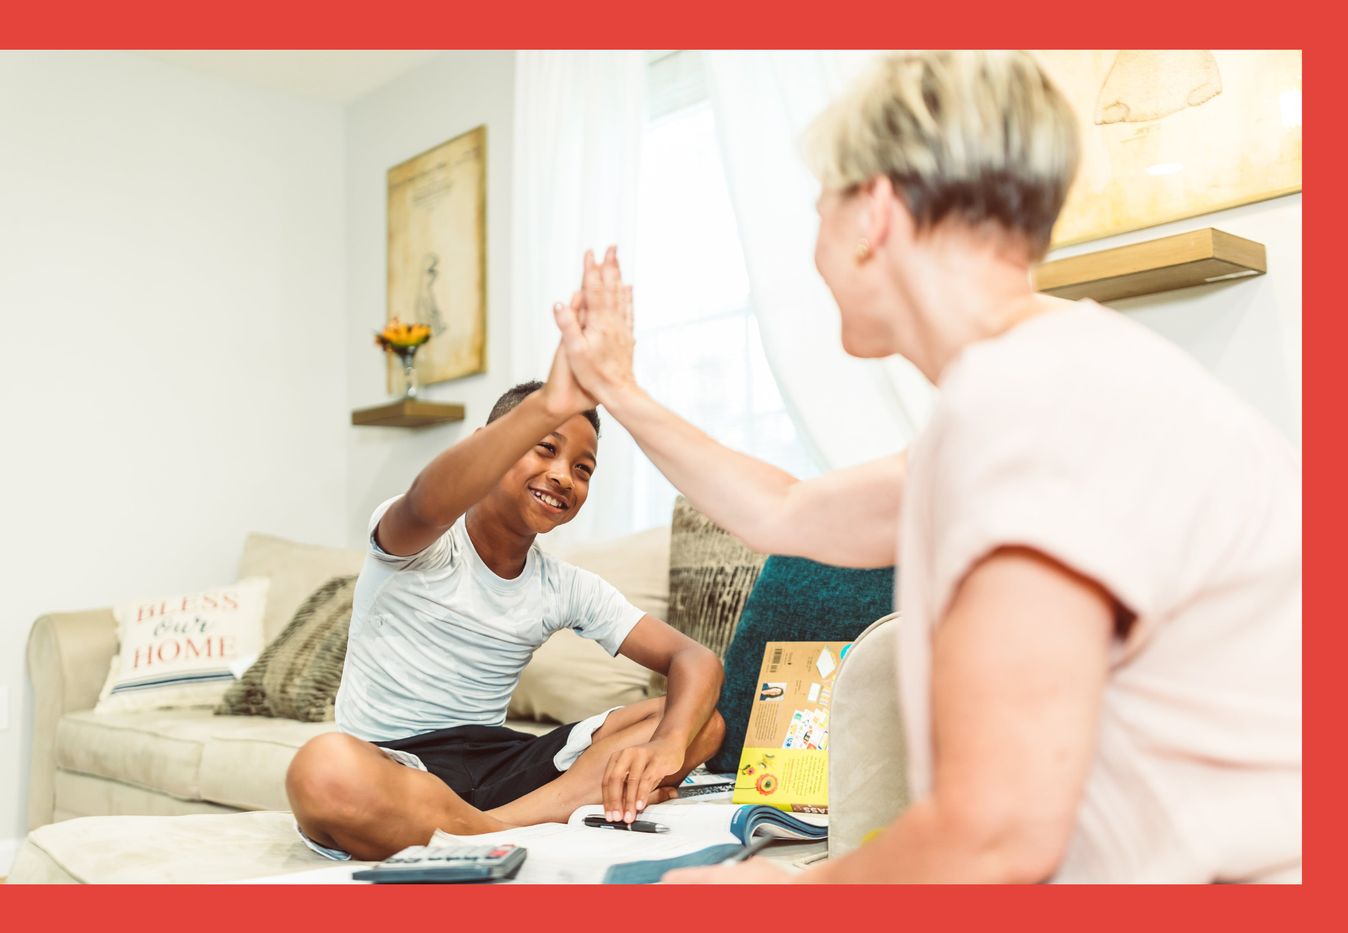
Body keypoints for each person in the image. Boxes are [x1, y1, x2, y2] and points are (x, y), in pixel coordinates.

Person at [552, 51, 1301, 883]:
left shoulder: (1030, 404)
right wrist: (614, 387)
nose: (813, 252)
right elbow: (786, 511)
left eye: (819, 210)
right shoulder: (1045, 378)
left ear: (874, 211)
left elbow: (995, 832)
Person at [285, 353, 725, 862]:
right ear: (486, 450)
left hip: (499, 764)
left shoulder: (565, 585)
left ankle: (485, 831)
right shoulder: (420, 541)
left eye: (582, 469)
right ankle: (522, 826)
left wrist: (669, 743)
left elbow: (695, 659)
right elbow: (427, 502)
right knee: (321, 770)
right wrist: (540, 408)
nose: (563, 476)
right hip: (395, 763)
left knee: (703, 722)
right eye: (544, 448)